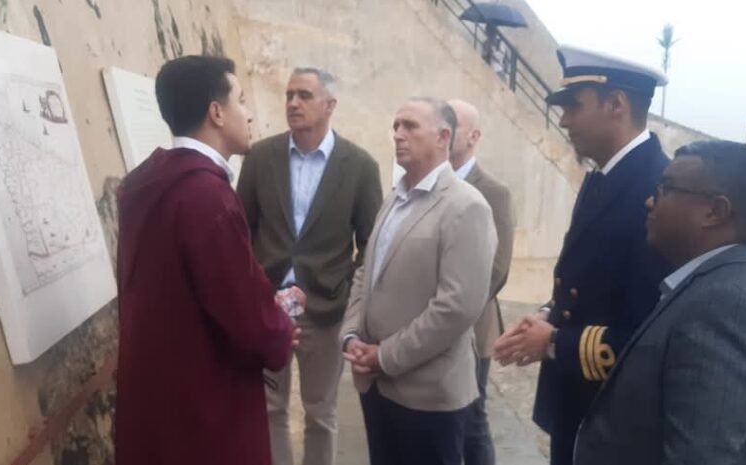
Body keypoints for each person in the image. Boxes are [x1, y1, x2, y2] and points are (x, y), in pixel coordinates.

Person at [493, 45, 673, 465]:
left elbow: (651, 330)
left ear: (616, 105)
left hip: (615, 418)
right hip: (577, 404)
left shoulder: (659, 188)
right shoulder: (603, 178)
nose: (564, 120)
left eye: (574, 106)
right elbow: (585, 283)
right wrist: (547, 315)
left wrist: (554, 341)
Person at [114, 55, 297, 465]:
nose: (249, 114)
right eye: (241, 100)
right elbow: (245, 316)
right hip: (206, 402)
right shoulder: (207, 197)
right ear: (216, 112)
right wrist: (280, 329)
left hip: (160, 394)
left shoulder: (144, 182)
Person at [575, 140, 746, 465]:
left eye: (666, 189)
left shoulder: (724, 307)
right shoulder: (725, 286)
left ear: (715, 212)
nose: (650, 201)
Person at [237, 67, 383, 465]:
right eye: (289, 95)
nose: (293, 103)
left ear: (329, 105)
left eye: (304, 95)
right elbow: (240, 229)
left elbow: (371, 244)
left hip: (325, 309)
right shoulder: (260, 158)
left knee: (321, 412)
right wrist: (253, 289)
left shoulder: (360, 166)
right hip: (267, 307)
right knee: (269, 406)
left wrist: (343, 289)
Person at [341, 98, 497, 465]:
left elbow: (457, 307)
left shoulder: (466, 206)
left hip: (428, 395)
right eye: (396, 126)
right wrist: (351, 336)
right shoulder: (395, 198)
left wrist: (386, 356)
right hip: (376, 385)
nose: (398, 134)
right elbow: (366, 271)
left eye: (410, 126)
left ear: (443, 136)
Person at [447, 99, 515, 465]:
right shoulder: (425, 182)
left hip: (472, 327)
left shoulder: (493, 191)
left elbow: (498, 267)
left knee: (472, 419)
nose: (443, 130)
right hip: (422, 325)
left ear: (473, 136)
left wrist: (450, 312)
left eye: (452, 124)